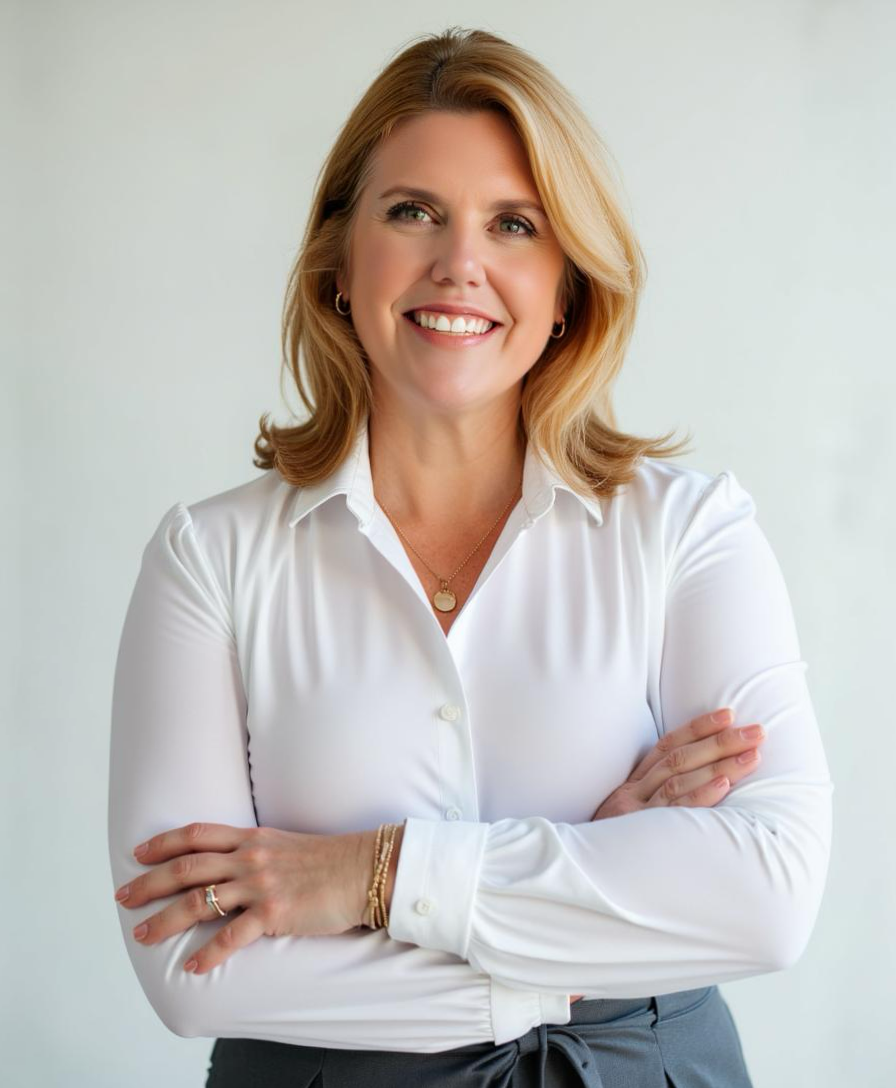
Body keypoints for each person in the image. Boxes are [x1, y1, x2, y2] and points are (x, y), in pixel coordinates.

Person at [107, 26, 833, 1088]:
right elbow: (191, 964)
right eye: (412, 212)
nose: (461, 264)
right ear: (339, 263)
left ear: (568, 285)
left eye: (513, 223)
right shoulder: (207, 558)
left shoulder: (688, 532)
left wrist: (367, 874)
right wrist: (589, 898)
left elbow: (767, 897)